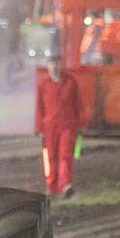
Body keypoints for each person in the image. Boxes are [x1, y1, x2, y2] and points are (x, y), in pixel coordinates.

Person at [33, 55, 84, 198]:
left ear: (61, 65)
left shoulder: (70, 83)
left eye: (57, 63)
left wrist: (80, 125)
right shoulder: (43, 85)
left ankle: (66, 185)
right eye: (52, 63)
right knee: (50, 157)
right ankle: (51, 186)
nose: (55, 66)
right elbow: (39, 108)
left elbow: (78, 104)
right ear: (48, 66)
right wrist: (39, 129)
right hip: (49, 128)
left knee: (65, 155)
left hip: (68, 125)